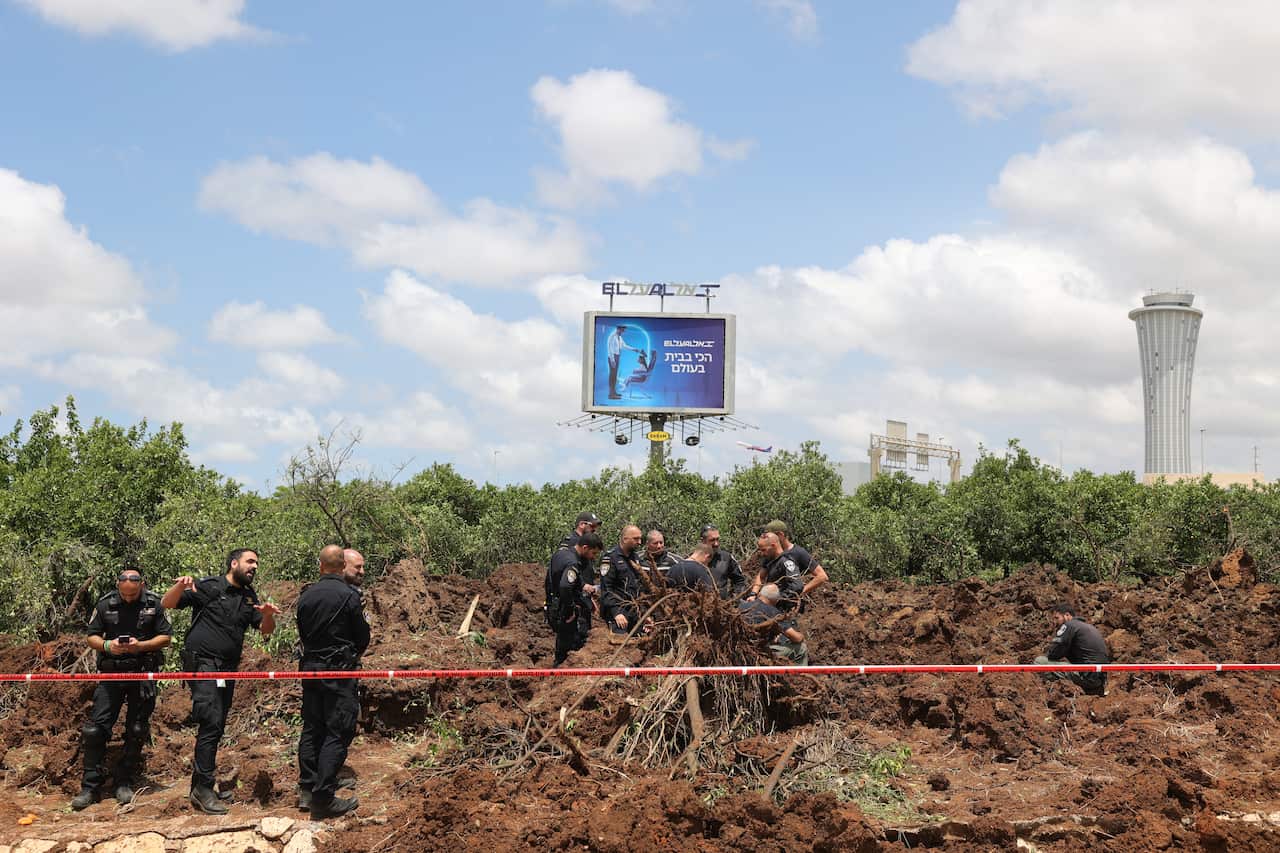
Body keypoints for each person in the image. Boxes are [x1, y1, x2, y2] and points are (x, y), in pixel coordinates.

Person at [161, 548, 279, 814]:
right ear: (234, 563)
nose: (254, 567)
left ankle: (201, 786)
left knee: (216, 725)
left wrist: (268, 615)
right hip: (203, 664)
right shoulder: (209, 586)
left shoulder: (249, 596)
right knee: (210, 721)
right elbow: (167, 603)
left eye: (256, 563)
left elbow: (265, 631)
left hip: (228, 669)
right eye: (250, 562)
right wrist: (179, 586)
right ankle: (203, 789)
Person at [71, 569, 172, 810]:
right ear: (118, 586)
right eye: (124, 594)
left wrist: (141, 646)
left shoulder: (155, 603)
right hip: (112, 673)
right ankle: (90, 786)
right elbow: (92, 636)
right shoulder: (105, 603)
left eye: (132, 594)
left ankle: (124, 780)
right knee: (95, 729)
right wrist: (107, 645)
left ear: (141, 585)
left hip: (142, 672)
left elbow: (166, 638)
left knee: (137, 729)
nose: (128, 598)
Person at [296, 545, 371, 819]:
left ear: (320, 566)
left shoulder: (306, 596)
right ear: (341, 567)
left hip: (310, 669)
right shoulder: (349, 596)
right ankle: (324, 798)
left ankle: (307, 789)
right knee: (338, 730)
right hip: (339, 672)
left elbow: (303, 633)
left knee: (312, 727)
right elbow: (362, 637)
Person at [546, 533, 604, 665]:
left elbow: (555, 577)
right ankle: (563, 673)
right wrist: (571, 608)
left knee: (561, 646)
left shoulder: (560, 554)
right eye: (593, 553)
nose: (594, 557)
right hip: (565, 610)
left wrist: (582, 585)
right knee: (571, 648)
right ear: (585, 547)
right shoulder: (573, 562)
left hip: (553, 605)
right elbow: (565, 586)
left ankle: (558, 670)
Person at [1035, 601, 1110, 696]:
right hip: (1099, 678)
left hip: (1087, 676)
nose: (1055, 622)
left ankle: (1054, 694)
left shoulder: (1069, 625)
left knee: (1039, 662)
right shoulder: (1087, 626)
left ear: (1067, 615)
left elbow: (1054, 653)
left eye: (1057, 618)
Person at [752, 528, 828, 612]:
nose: (762, 553)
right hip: (770, 604)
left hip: (782, 608)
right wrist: (753, 594)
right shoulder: (769, 558)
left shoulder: (787, 561)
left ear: (773, 545)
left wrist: (777, 599)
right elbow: (761, 576)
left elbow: (797, 586)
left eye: (764, 550)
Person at [600, 525, 652, 635]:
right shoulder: (610, 558)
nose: (639, 542)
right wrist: (616, 612)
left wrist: (644, 614)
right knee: (620, 641)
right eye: (636, 539)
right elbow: (606, 589)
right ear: (625, 539)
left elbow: (639, 588)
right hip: (618, 612)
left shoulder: (636, 558)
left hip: (634, 610)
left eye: (640, 539)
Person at [739, 584, 808, 665]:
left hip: (740, 650)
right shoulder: (773, 612)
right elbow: (796, 638)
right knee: (801, 648)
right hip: (759, 653)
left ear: (760, 594)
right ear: (776, 600)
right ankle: (800, 672)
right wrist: (801, 636)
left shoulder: (742, 606)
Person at [700, 525, 748, 599]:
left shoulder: (726, 557)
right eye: (712, 540)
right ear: (703, 541)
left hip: (722, 604)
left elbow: (739, 580)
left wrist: (735, 598)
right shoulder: (691, 560)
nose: (716, 544)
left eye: (717, 539)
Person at [606, 324, 641, 399]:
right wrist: (612, 360)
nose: (623, 332)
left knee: (615, 375)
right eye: (622, 330)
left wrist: (634, 349)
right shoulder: (612, 337)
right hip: (613, 357)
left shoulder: (619, 337)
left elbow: (624, 346)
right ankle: (611, 394)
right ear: (618, 329)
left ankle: (614, 392)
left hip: (617, 356)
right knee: (612, 376)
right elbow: (610, 349)